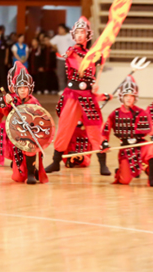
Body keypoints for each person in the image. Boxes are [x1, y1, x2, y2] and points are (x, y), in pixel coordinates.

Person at [45, 17, 110, 176]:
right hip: (73, 96)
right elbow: (79, 66)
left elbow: (91, 73)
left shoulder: (91, 54)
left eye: (83, 32)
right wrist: (95, 57)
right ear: (74, 35)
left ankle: (102, 163)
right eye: (78, 32)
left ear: (88, 35)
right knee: (65, 128)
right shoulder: (72, 52)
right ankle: (55, 161)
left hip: (87, 96)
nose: (80, 35)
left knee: (95, 130)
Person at [0, 63, 48, 184]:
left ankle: (31, 172)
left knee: (30, 143)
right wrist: (5, 100)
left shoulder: (34, 103)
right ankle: (22, 167)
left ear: (29, 89)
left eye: (25, 88)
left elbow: (41, 122)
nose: (22, 90)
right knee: (18, 178)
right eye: (20, 87)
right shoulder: (12, 100)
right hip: (14, 139)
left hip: (27, 138)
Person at [102, 75, 153, 187]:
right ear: (122, 97)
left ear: (135, 97)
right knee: (124, 181)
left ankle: (152, 179)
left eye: (131, 96)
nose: (129, 98)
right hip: (126, 148)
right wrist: (104, 142)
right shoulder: (115, 114)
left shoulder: (141, 112)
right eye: (126, 96)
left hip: (140, 144)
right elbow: (105, 129)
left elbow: (151, 126)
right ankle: (121, 171)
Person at [0, 62, 19, 166]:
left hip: (21, 130)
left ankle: (17, 158)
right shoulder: (10, 96)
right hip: (11, 125)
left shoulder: (29, 99)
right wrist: (2, 100)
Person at [49, 24, 74, 94]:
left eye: (60, 29)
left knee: (69, 75)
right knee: (60, 74)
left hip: (69, 59)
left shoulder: (70, 36)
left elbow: (76, 44)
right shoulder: (57, 37)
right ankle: (62, 89)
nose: (58, 30)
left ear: (63, 29)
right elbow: (50, 43)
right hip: (60, 58)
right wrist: (55, 47)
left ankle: (70, 89)